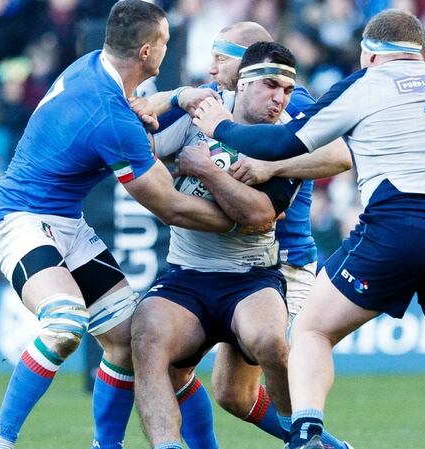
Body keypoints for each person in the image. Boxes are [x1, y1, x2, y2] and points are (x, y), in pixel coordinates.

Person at [194, 9, 425, 449]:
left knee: (313, 331)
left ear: (369, 53)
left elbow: (283, 141)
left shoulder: (366, 83)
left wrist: (219, 126)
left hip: (397, 224)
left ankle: (308, 432)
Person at [0, 2, 249, 448]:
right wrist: (239, 220)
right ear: (147, 51)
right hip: (18, 220)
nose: (167, 49)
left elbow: (129, 112)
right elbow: (172, 208)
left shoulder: (91, 68)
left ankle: (106, 446)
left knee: (127, 340)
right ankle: (0, 442)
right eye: (164, 42)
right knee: (64, 322)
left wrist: (180, 96)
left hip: (65, 221)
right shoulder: (109, 115)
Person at [139, 22, 352, 449]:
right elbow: (137, 126)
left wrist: (271, 164)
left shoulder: (287, 107)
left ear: (251, 60)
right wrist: (172, 97)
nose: (212, 66)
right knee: (219, 388)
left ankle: (311, 440)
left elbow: (341, 154)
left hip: (280, 259)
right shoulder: (205, 102)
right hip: (198, 266)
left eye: (222, 57)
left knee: (251, 366)